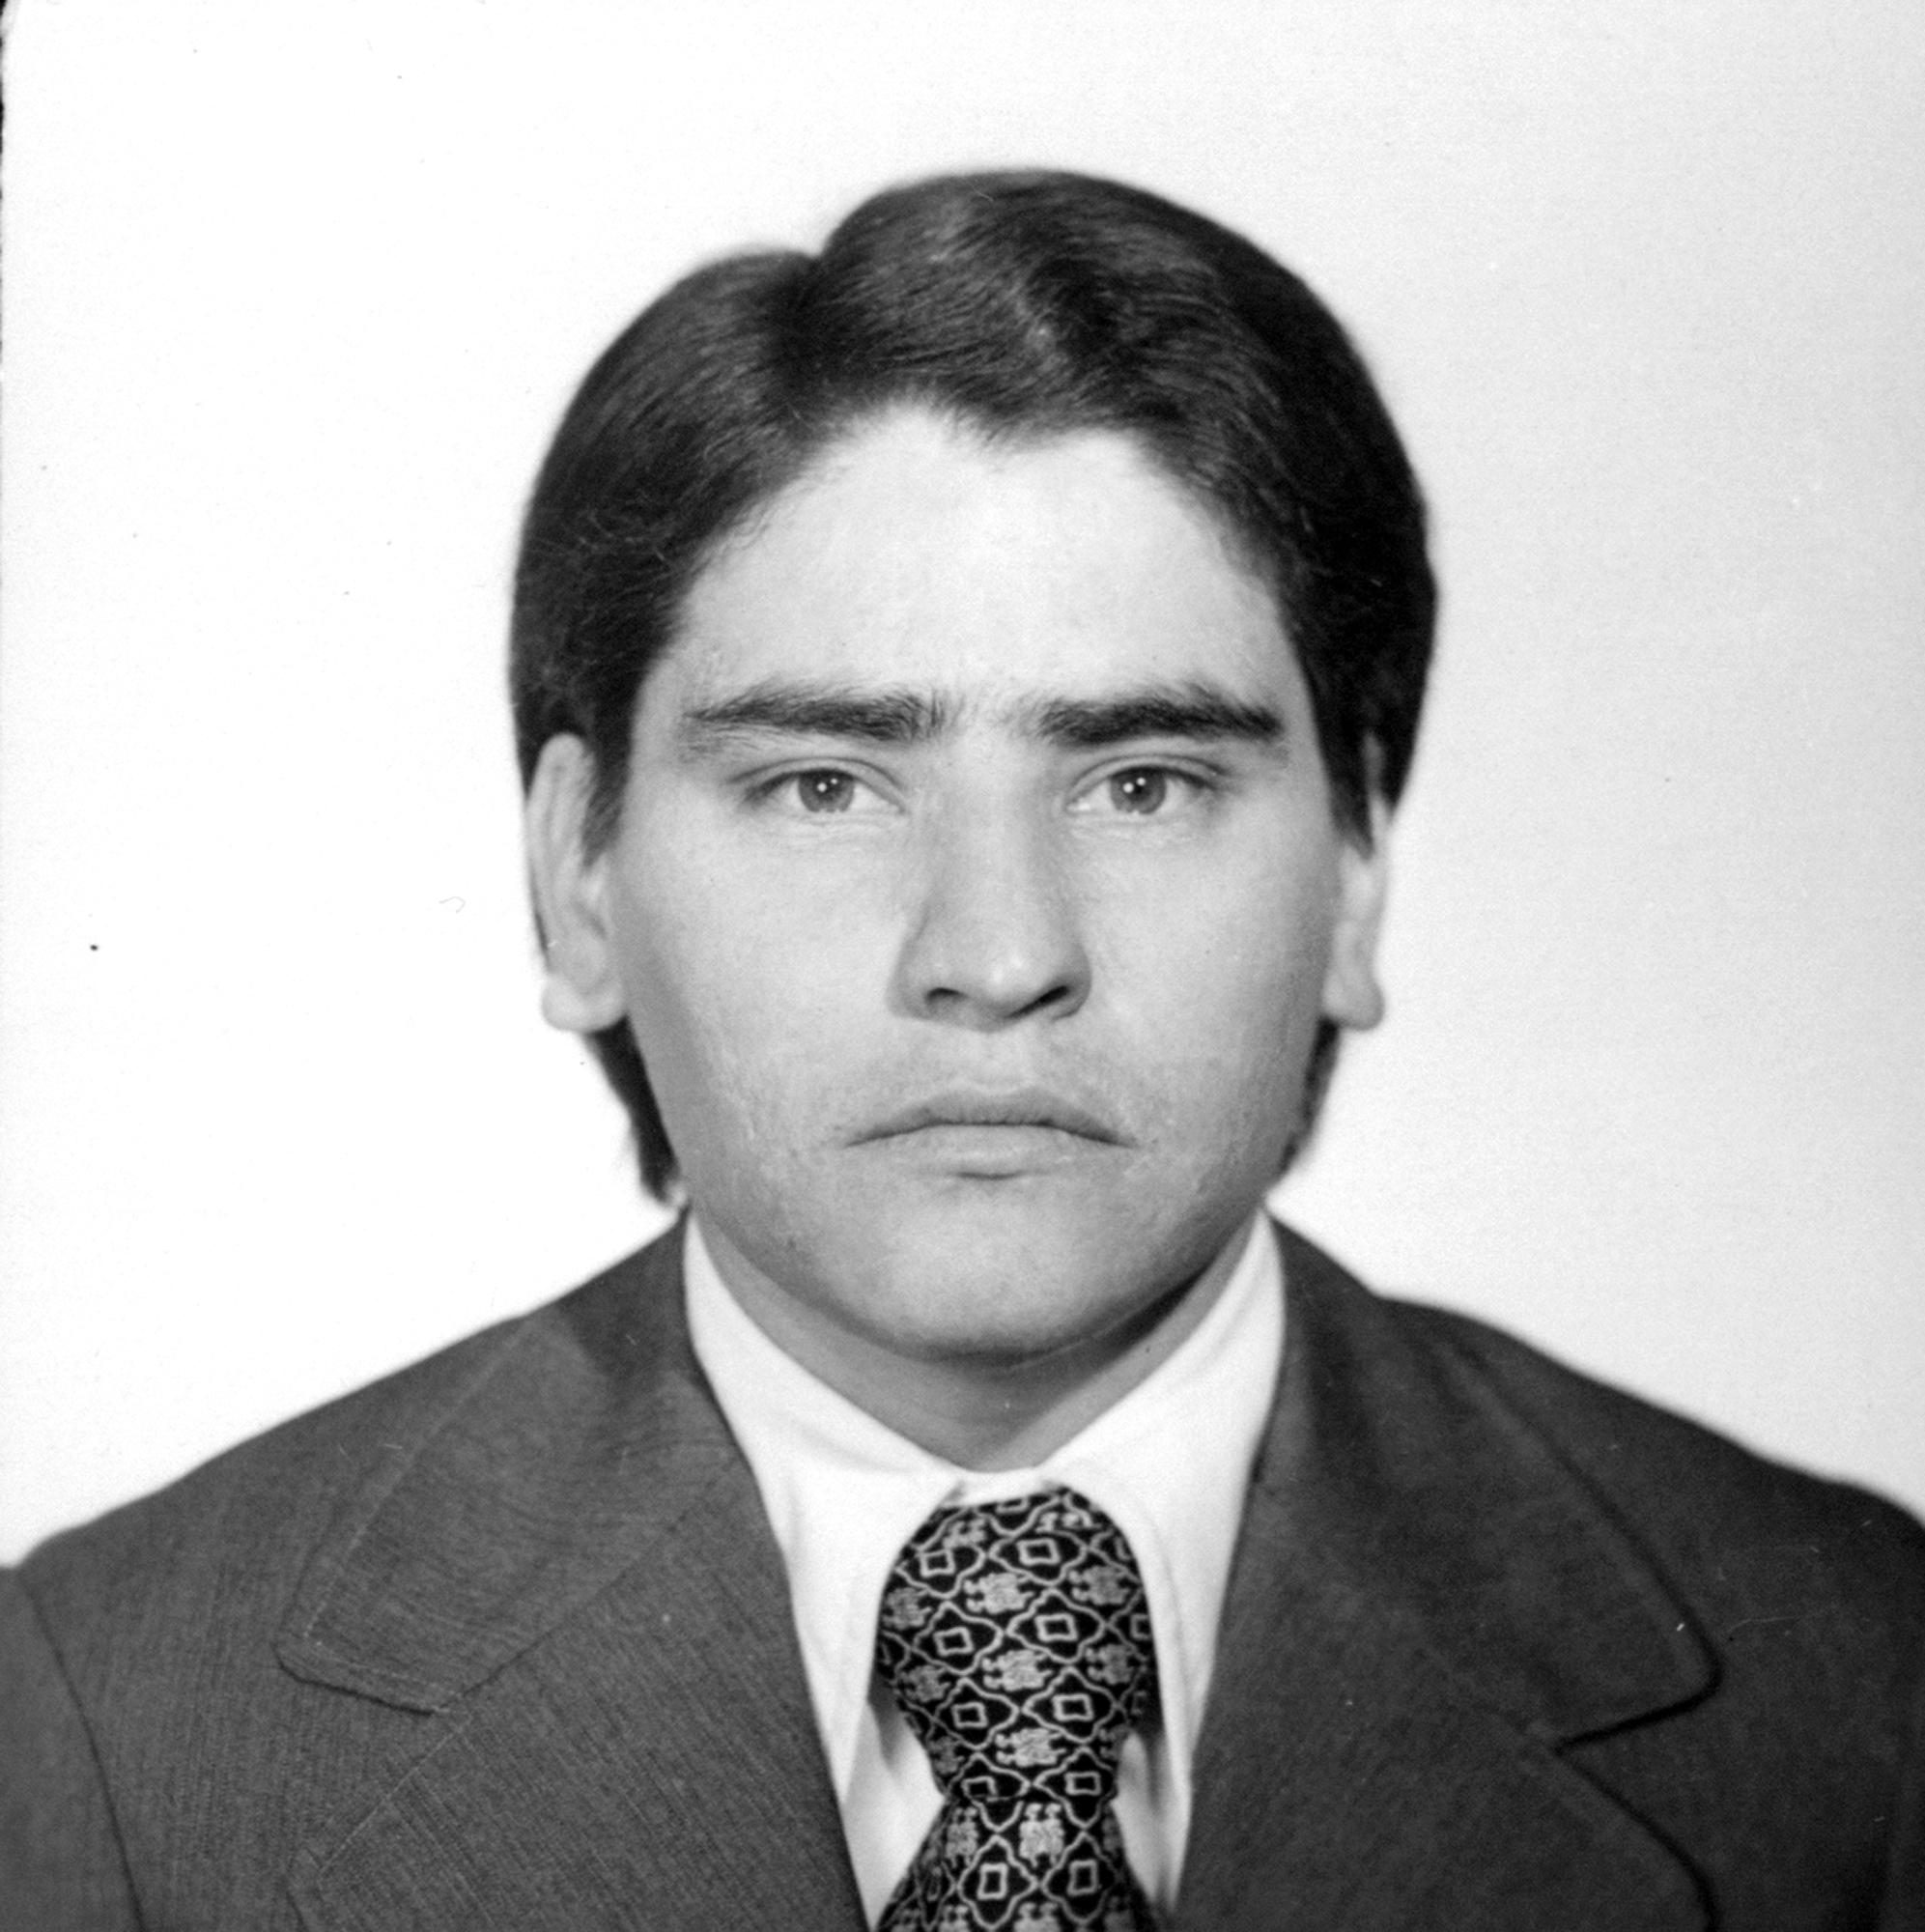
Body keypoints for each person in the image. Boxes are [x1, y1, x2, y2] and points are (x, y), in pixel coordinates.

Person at [3, 170, 1920, 1931]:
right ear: (576, 877)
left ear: (1352, 872)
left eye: (1145, 781)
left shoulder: (1859, 1691)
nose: (995, 955)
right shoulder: (106, 1723)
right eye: (825, 783)